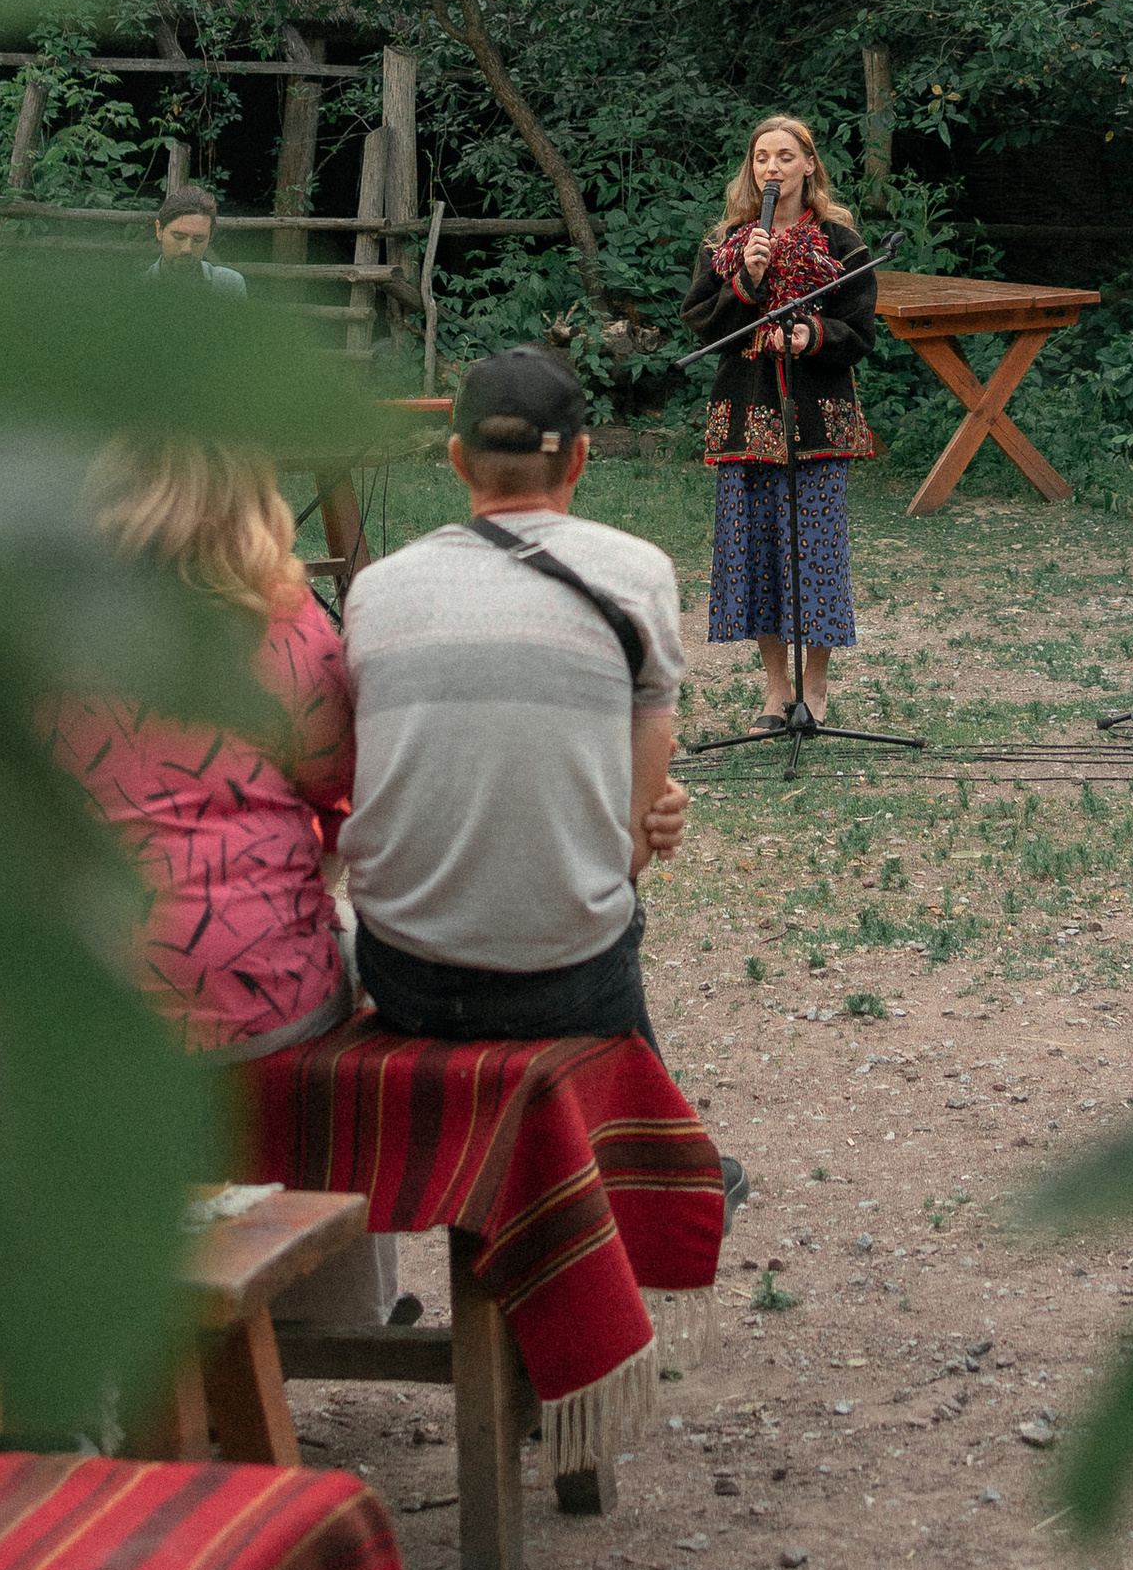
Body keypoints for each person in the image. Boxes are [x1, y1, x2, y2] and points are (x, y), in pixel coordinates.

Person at [337, 346, 696, 1054]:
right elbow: (631, 852)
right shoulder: (640, 573)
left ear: (456, 459)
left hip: (405, 975)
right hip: (567, 979)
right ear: (580, 459)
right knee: (608, 918)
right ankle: (639, 1115)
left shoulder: (374, 590)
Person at [44, 438, 353, 1055]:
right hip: (267, 996)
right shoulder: (288, 625)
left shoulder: (45, 628)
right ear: (254, 501)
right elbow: (341, 786)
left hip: (95, 1002)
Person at [683, 112, 877, 729]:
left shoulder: (843, 245)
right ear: (751, 168)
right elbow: (703, 325)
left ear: (809, 165)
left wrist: (813, 334)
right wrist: (747, 280)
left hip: (816, 418)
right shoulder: (726, 245)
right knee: (755, 555)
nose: (773, 167)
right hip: (745, 415)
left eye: (786, 156)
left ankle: (814, 689)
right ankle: (775, 689)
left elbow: (861, 333)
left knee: (815, 554)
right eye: (762, 157)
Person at [144, 185, 246, 300]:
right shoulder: (136, 287)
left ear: (209, 238)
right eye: (179, 237)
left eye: (198, 240)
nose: (187, 248)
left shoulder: (229, 285)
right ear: (159, 230)